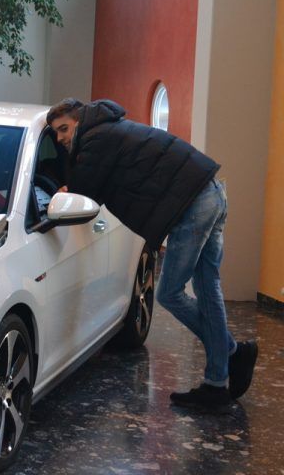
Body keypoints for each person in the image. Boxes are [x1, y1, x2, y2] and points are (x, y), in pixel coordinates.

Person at [46, 98, 258, 412]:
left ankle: (229, 352)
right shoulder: (108, 129)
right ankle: (218, 380)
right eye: (57, 133)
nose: (62, 138)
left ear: (79, 120)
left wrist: (63, 190)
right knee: (207, 288)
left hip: (194, 205)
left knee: (170, 293)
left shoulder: (95, 139)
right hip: (211, 192)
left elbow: (83, 191)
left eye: (64, 129)